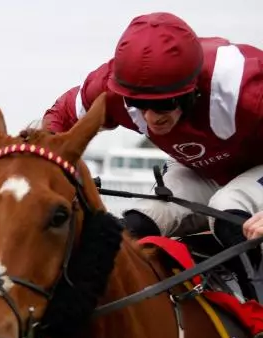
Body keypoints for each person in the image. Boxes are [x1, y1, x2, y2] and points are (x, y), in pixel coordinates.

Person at [42, 13, 263, 287]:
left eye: (163, 104)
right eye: (137, 104)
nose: (150, 118)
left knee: (229, 208)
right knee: (141, 221)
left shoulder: (247, 88)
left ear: (193, 90)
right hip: (201, 168)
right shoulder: (109, 86)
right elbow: (59, 119)